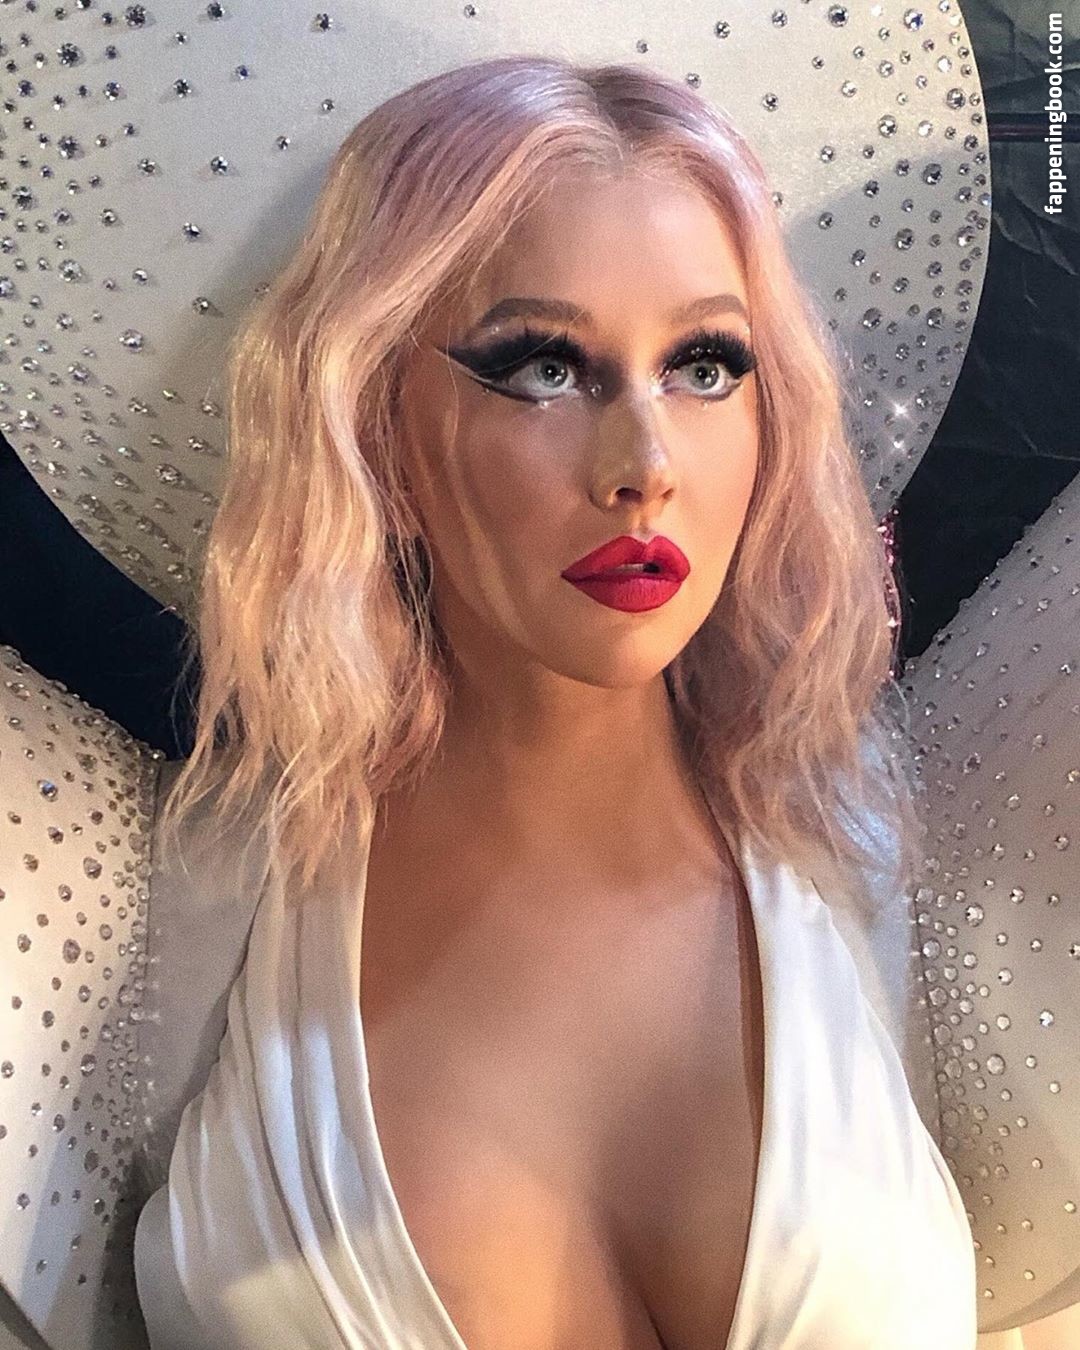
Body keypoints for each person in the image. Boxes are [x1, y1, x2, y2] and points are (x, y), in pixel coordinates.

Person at [1, 23, 1077, 1350]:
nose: (646, 463)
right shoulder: (180, 906)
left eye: (706, 365)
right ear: (374, 416)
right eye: (544, 366)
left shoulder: (893, 852)